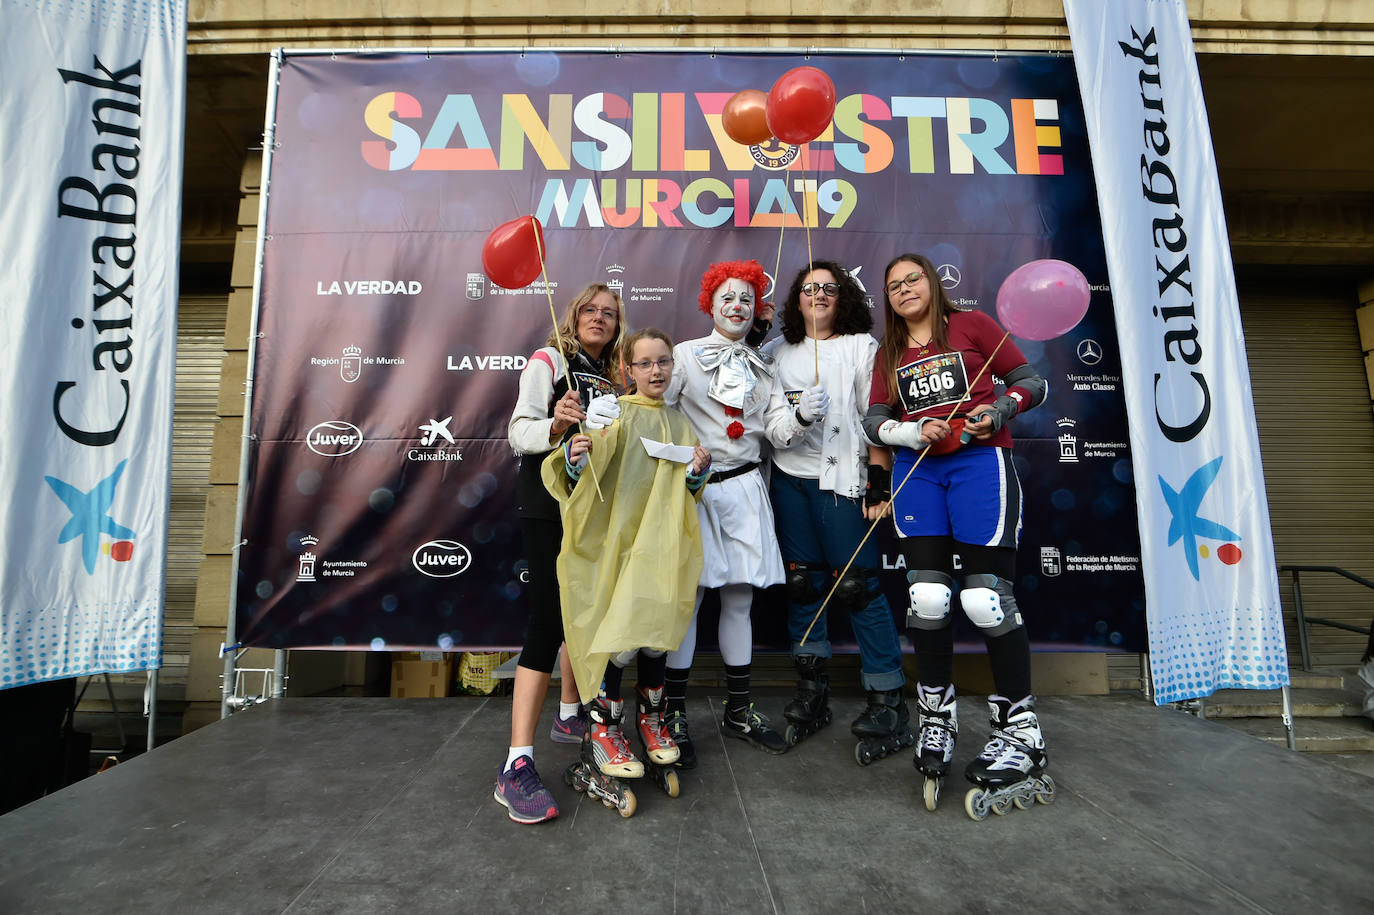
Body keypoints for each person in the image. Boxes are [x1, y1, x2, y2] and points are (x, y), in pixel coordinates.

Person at [862, 252, 1049, 812]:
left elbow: (1029, 382)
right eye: (892, 285)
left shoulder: (973, 325)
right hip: (918, 472)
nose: (903, 290)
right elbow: (874, 420)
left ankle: (1021, 732)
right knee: (928, 597)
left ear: (932, 283)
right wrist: (912, 429)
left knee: (987, 599)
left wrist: (997, 411)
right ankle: (935, 719)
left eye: (912, 279)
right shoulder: (889, 351)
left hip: (979, 464)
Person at [544, 328, 712, 793]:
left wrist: (698, 473)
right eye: (645, 363)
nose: (656, 370)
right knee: (620, 637)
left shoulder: (681, 425)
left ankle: (651, 721)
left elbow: (687, 495)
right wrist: (578, 456)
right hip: (618, 545)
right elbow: (585, 475)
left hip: (662, 549)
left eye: (663, 362)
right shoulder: (613, 415)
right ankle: (604, 727)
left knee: (656, 637)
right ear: (627, 370)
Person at [762, 260, 911, 763]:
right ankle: (812, 690)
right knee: (804, 582)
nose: (819, 295)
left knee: (858, 586)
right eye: (809, 289)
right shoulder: (776, 352)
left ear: (842, 296)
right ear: (796, 300)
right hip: (789, 480)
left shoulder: (860, 347)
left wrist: (879, 479)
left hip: (842, 481)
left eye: (828, 288)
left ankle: (887, 699)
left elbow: (879, 417)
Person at [494, 283, 625, 825]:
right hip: (547, 501)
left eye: (609, 313)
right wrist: (555, 424)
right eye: (590, 310)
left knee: (582, 612)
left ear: (618, 325)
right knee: (549, 620)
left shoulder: (615, 375)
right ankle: (514, 765)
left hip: (591, 505)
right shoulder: (549, 361)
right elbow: (517, 432)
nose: (599, 318)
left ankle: (570, 715)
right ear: (573, 316)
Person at [663, 259, 790, 764]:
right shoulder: (684, 356)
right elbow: (659, 410)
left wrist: (800, 415)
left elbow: (778, 433)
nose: (737, 307)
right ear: (710, 305)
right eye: (727, 299)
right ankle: (671, 714)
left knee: (739, 602)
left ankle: (739, 709)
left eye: (746, 299)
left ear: (756, 307)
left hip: (744, 489)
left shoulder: (766, 367)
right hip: (693, 490)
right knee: (688, 600)